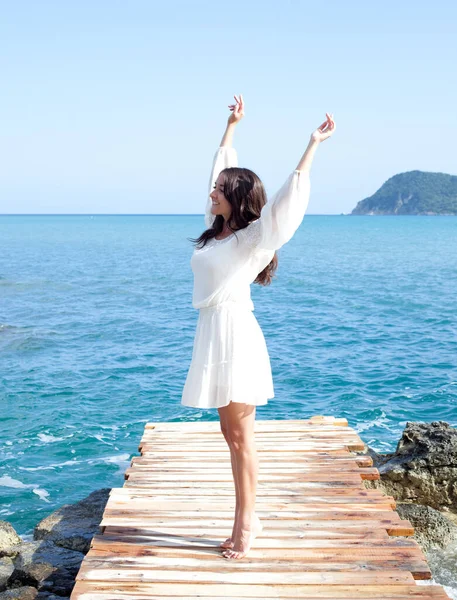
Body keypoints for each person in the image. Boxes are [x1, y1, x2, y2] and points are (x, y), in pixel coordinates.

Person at [181, 94, 336, 559]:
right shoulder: (216, 229)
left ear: (235, 197)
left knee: (242, 437)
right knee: (230, 436)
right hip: (213, 331)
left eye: (219, 188)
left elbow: (286, 208)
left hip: (235, 335)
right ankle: (247, 517)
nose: (211, 191)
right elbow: (218, 169)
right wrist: (231, 127)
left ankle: (247, 523)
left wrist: (312, 146)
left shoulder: (253, 239)